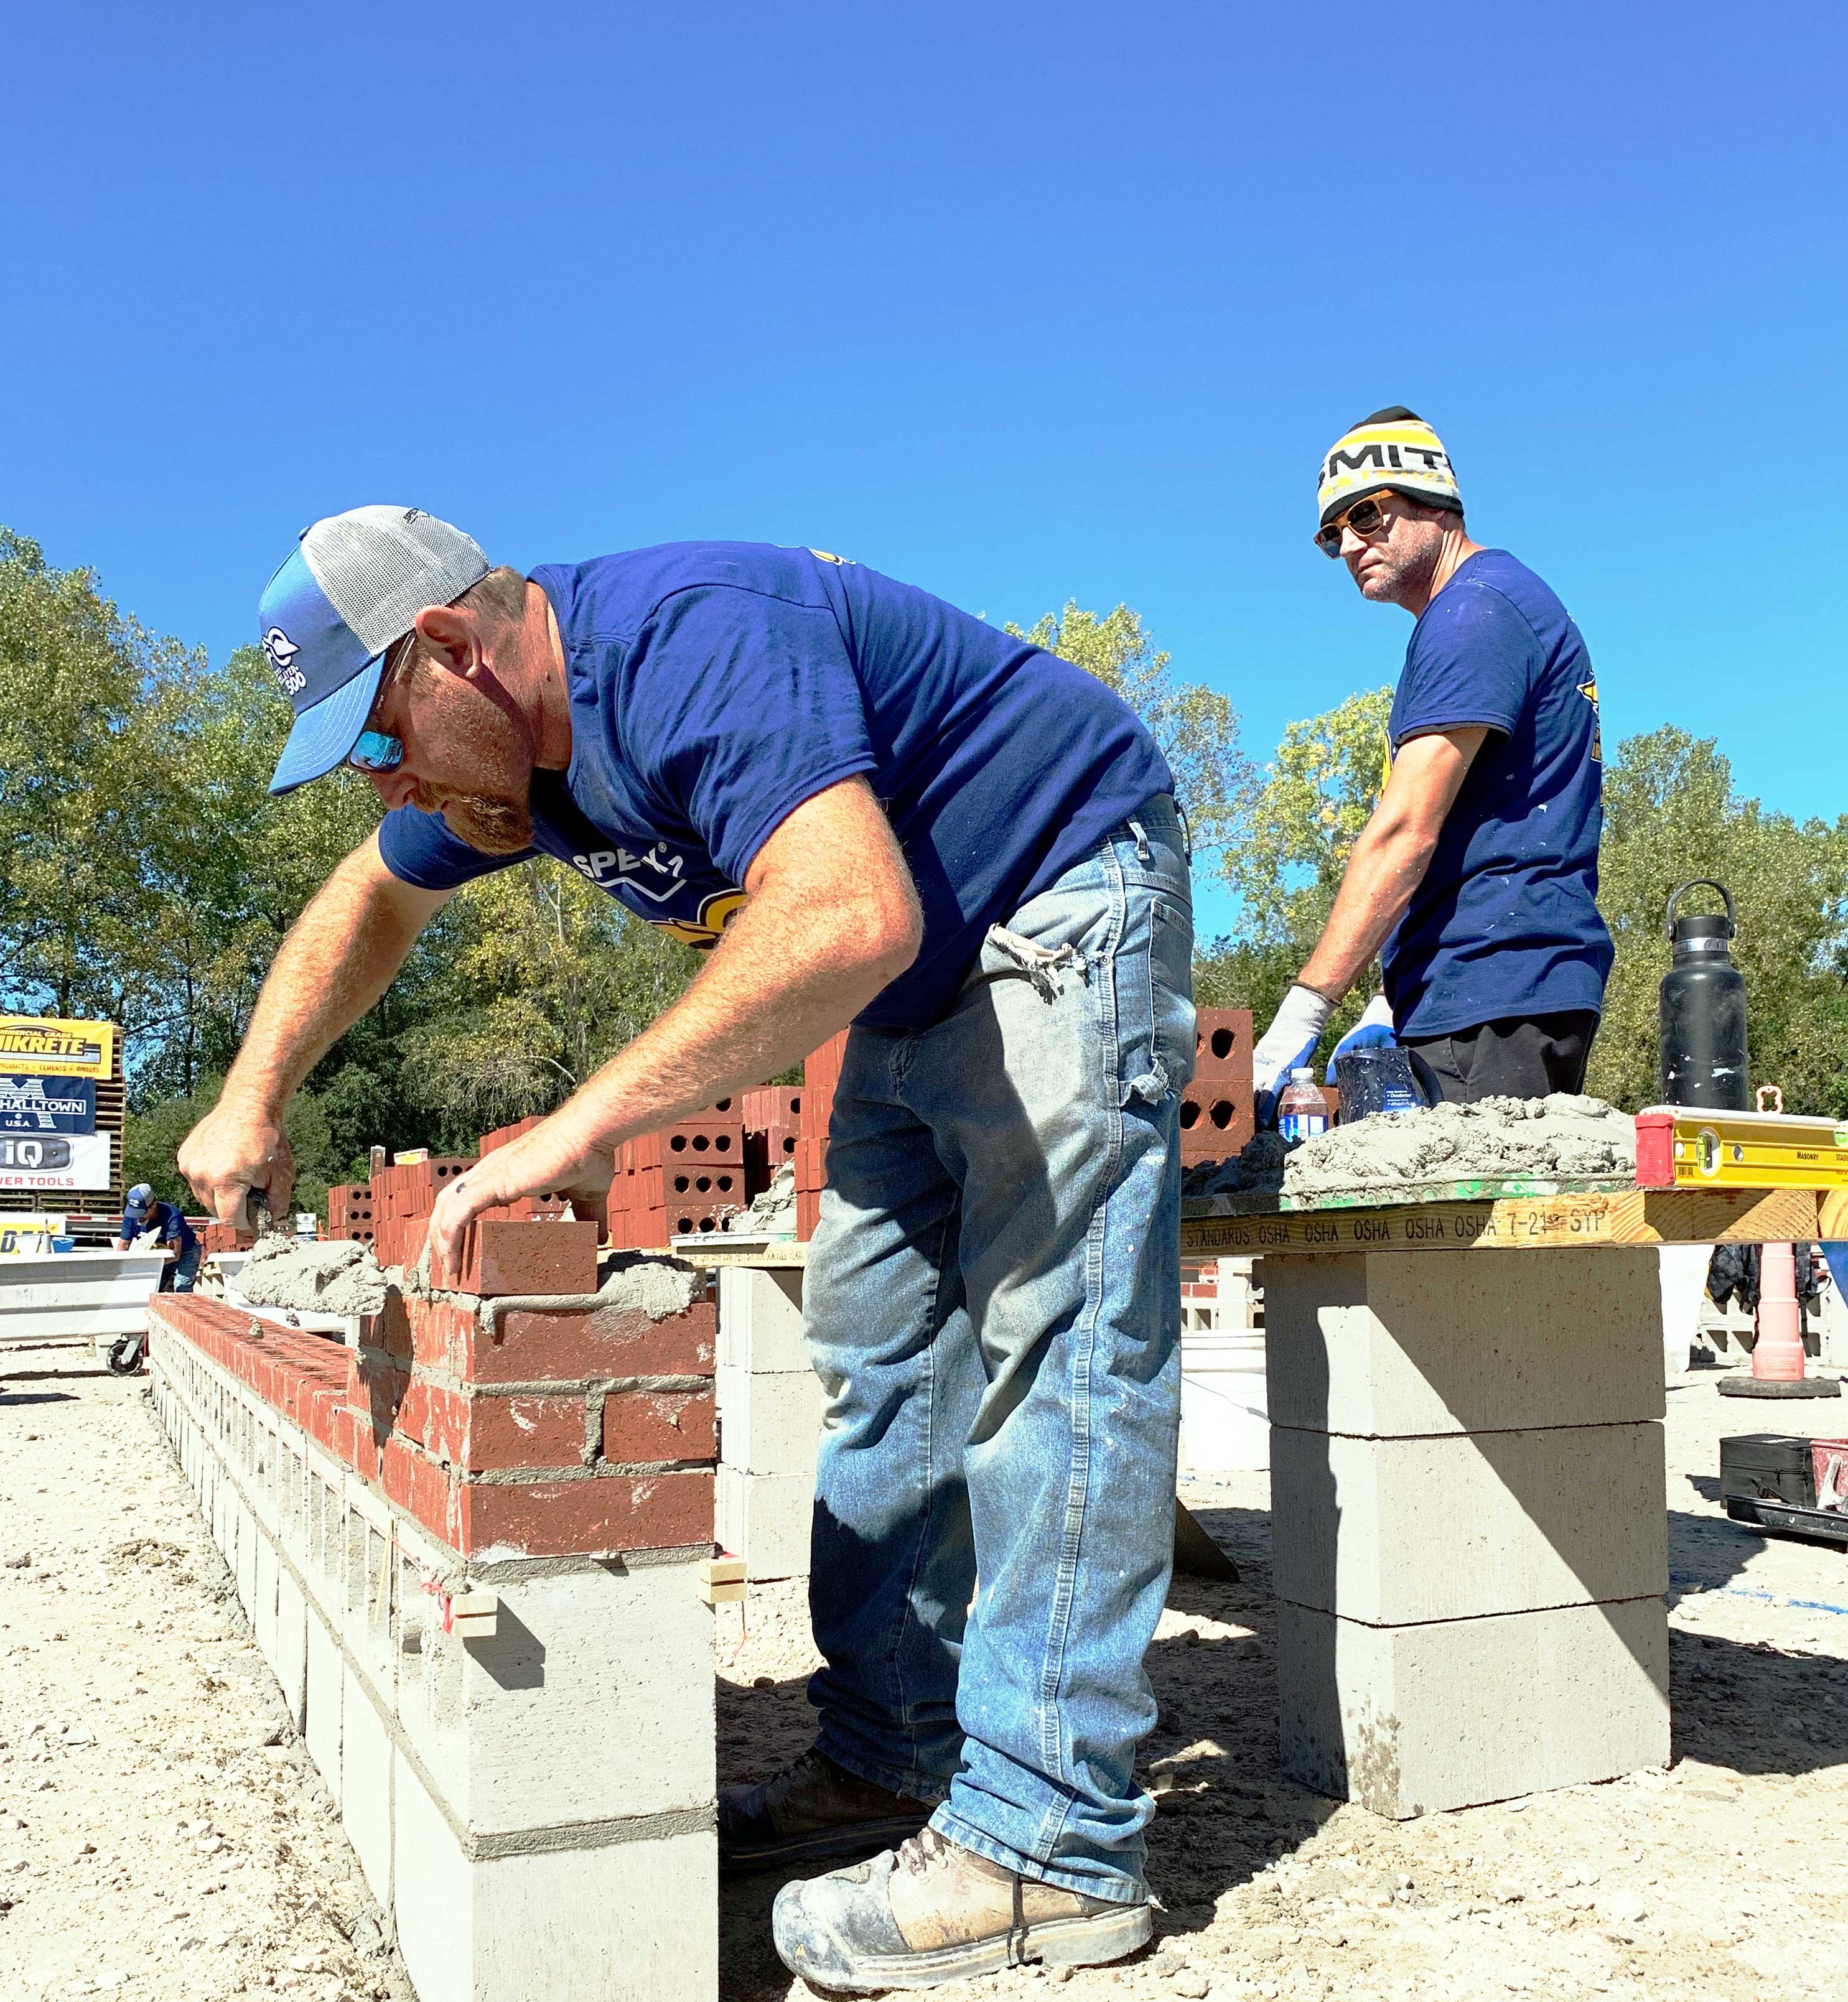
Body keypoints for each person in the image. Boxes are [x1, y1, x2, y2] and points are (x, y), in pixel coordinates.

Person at [178, 506, 1194, 1988]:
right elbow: (369, 894)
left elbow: (845, 909)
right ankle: (895, 1753)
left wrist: (579, 1124)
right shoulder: (502, 761)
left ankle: (1050, 1843)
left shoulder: (687, 639)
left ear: (455, 646)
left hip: (1056, 894)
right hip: (908, 988)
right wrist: (252, 1092)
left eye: (381, 735)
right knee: (883, 1360)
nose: (382, 780)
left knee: (1061, 1337)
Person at [1251, 407, 1612, 1118]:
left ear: (1434, 499)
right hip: (1489, 989)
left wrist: (1304, 1010)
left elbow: (1405, 831)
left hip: (1493, 993)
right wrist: (1388, 994)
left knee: (1458, 1227)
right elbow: (1468, 830)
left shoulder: (1472, 613)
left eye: (1365, 515)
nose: (1350, 544)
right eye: (1332, 535)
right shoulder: (1494, 607)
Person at [117, 1181, 202, 1293]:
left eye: (141, 1212)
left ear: (154, 1205)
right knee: (152, 1289)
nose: (137, 1217)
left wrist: (147, 1265)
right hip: (159, 1256)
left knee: (181, 1287)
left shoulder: (172, 1216)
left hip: (186, 1252)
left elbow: (175, 1254)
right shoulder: (131, 1216)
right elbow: (123, 1246)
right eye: (134, 1212)